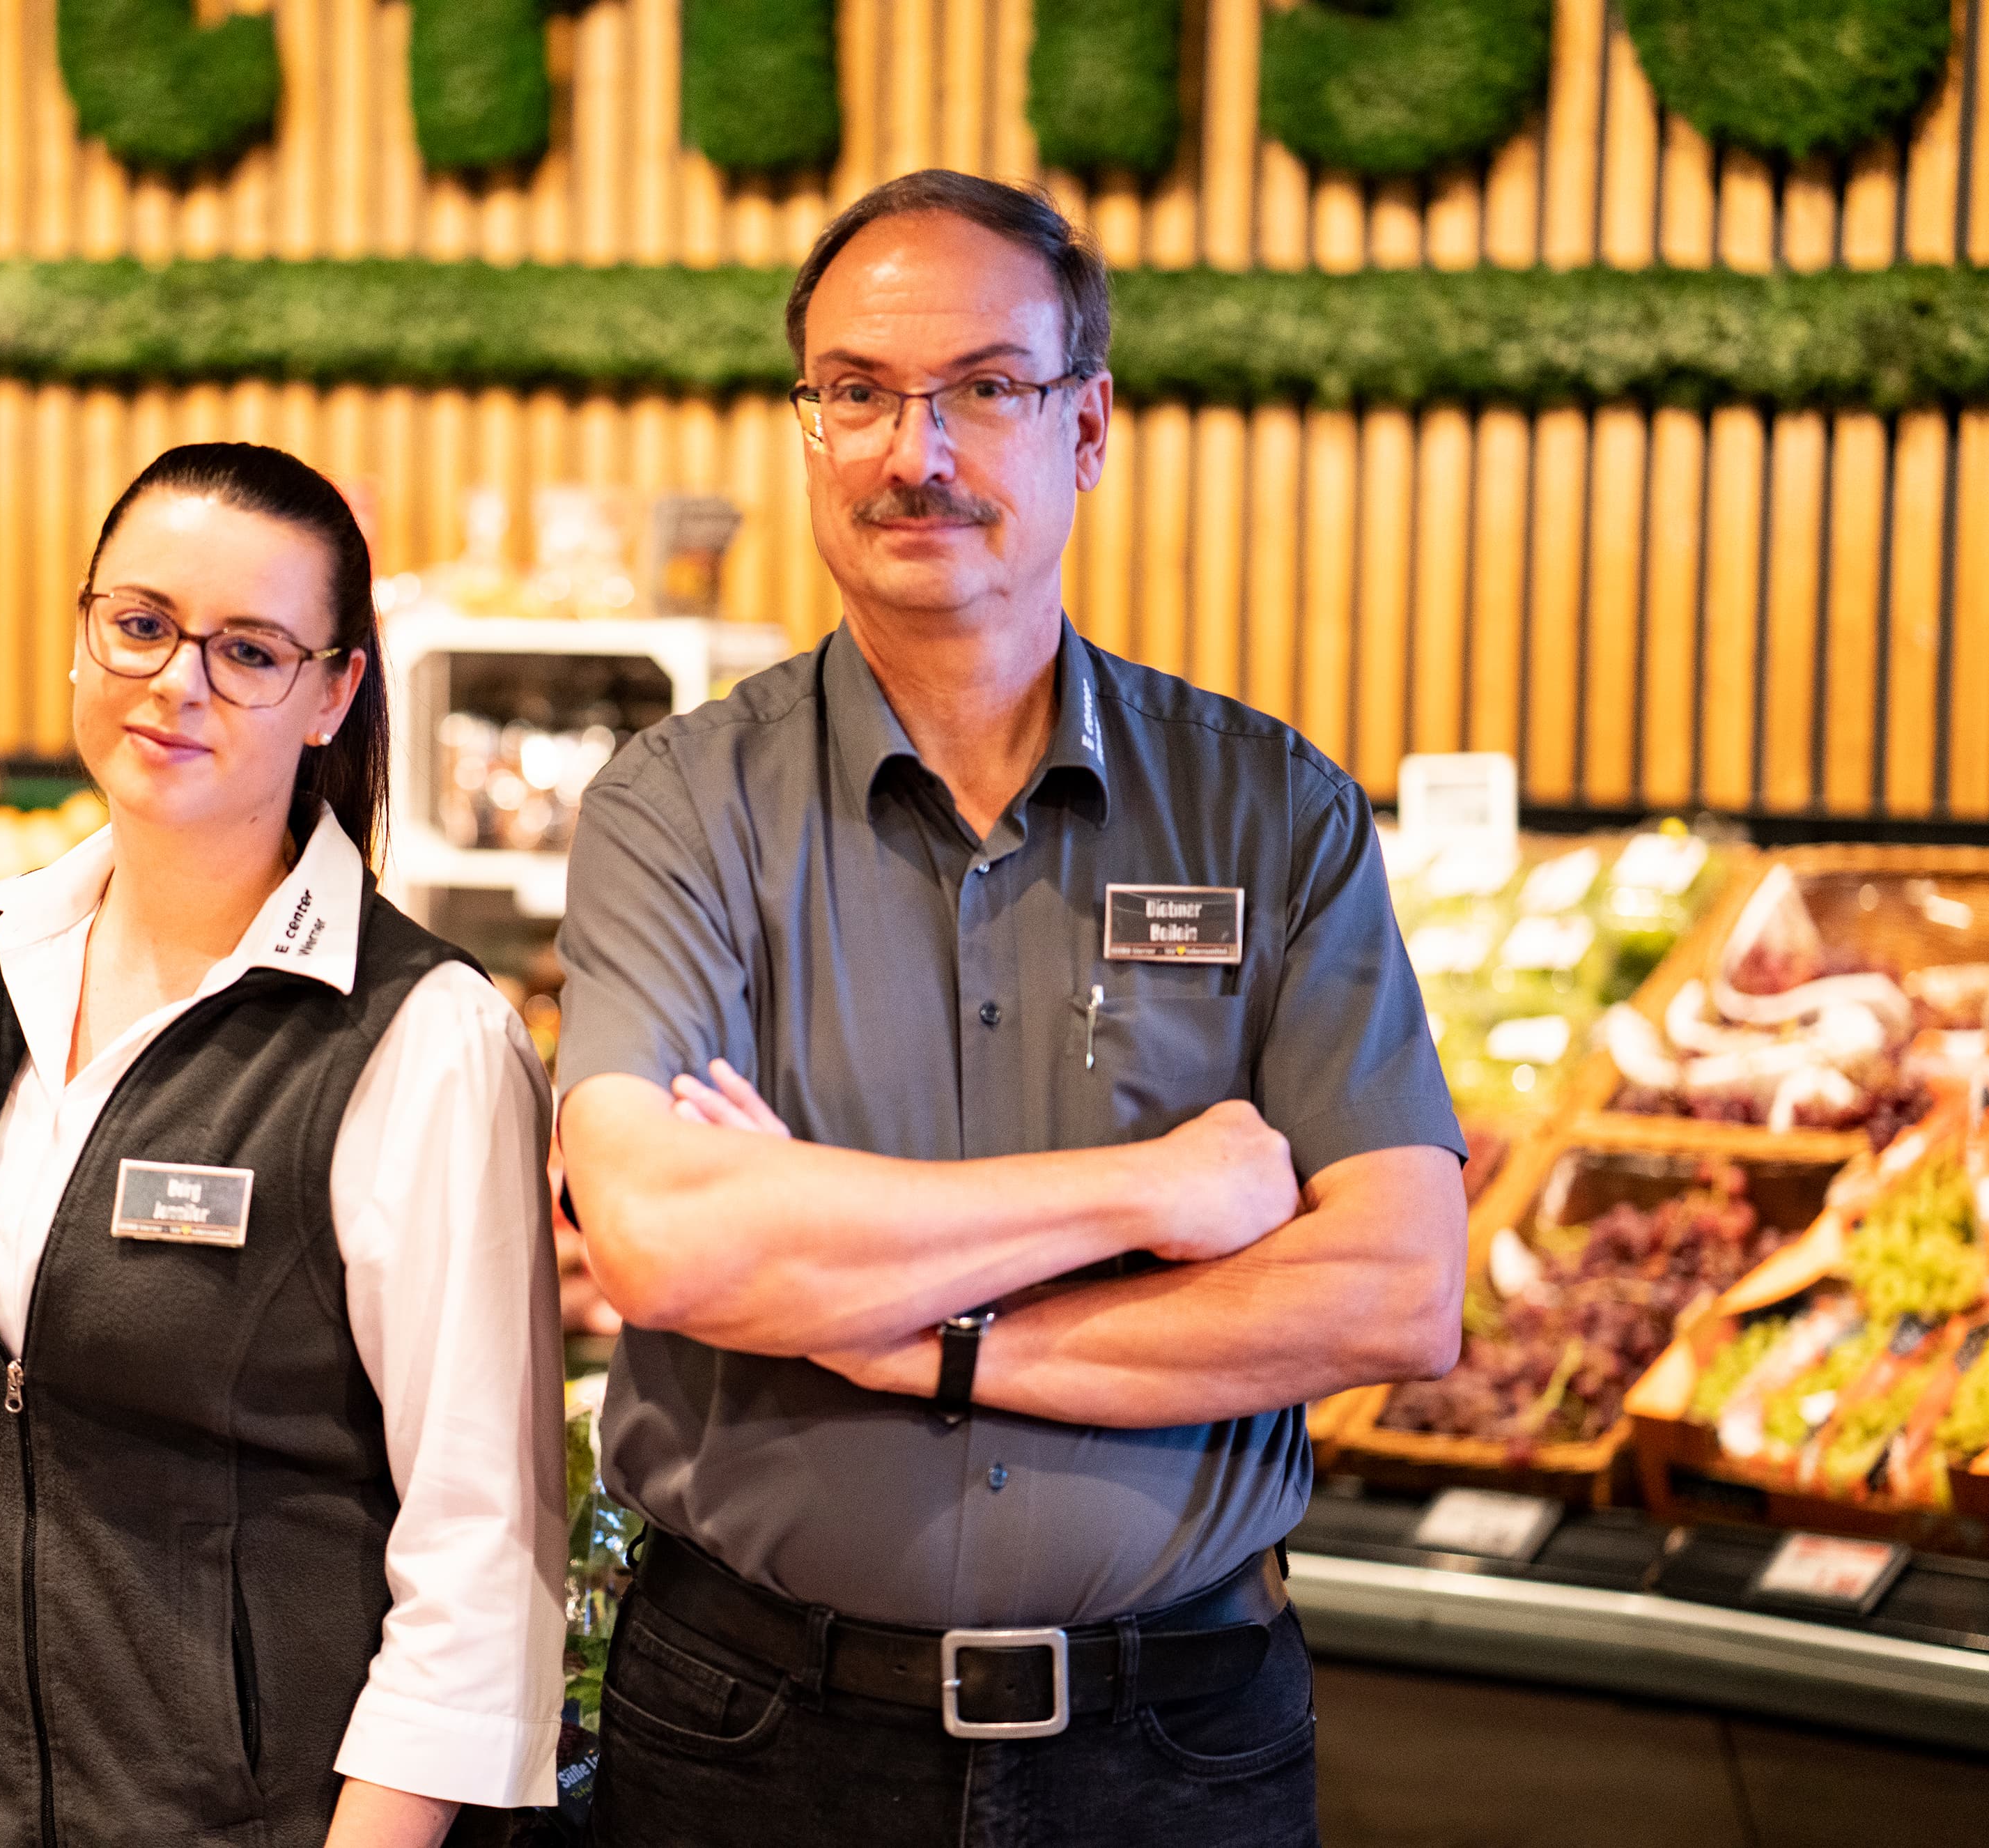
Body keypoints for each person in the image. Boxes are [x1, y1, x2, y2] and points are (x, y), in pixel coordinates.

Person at [554, 170, 1469, 1847]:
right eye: (859, 392)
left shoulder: (1272, 813)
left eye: (985, 386)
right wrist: (1148, 1196)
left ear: (1087, 427)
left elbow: (1395, 1293)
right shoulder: (674, 809)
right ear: (807, 425)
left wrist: (918, 1341)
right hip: (754, 1734)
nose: (917, 451)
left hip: (1176, 1744)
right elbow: (672, 1248)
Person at [0, 442, 565, 1848]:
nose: (178, 683)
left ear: (335, 690)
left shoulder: (421, 1038)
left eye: (248, 651)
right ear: (85, 632)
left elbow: (484, 1551)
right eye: (142, 626)